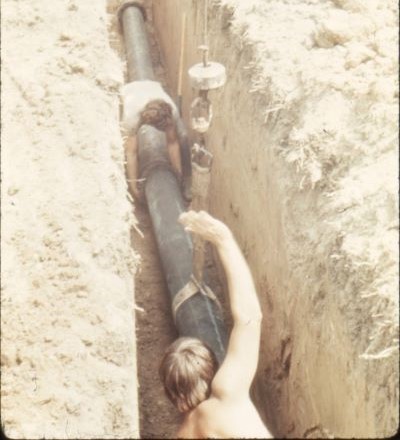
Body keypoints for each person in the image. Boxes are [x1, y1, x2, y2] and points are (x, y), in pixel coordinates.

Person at [159, 210, 273, 438]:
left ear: (172, 396)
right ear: (213, 370)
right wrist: (224, 239)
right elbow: (249, 317)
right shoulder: (227, 394)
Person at [122, 81, 183, 200]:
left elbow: (173, 143)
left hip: (153, 85)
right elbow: (131, 152)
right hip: (129, 90)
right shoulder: (131, 117)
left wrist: (178, 175)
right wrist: (133, 186)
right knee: (129, 143)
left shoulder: (171, 111)